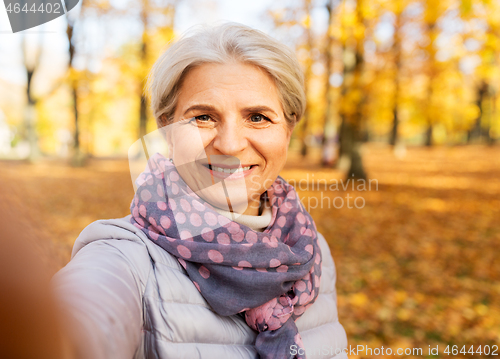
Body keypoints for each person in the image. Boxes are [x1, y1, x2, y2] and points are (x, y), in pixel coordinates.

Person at [52, 22, 348, 359]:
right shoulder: (127, 258)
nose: (231, 144)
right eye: (203, 117)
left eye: (258, 117)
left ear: (289, 128)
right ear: (167, 129)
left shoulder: (309, 248)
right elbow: (75, 320)